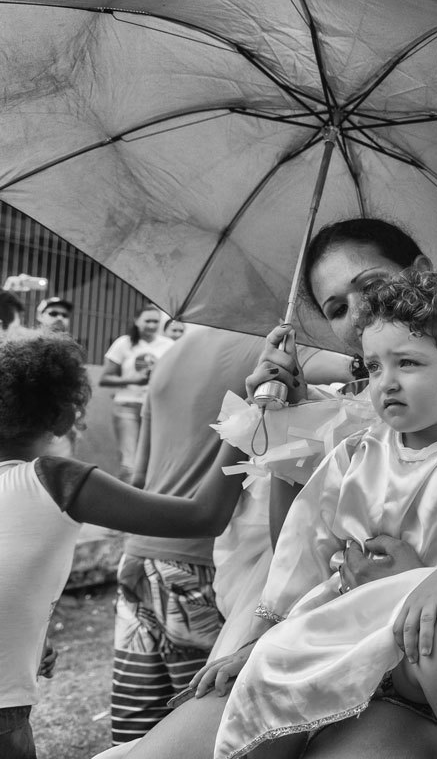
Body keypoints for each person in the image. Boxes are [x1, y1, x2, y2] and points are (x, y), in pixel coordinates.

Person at [117, 218, 437, 759]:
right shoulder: (344, 418)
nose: (360, 314)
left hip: (431, 652)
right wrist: (283, 424)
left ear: (420, 274)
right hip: (323, 634)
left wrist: (416, 582)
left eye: (369, 287)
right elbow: (299, 547)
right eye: (336, 308)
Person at [206, 272, 437, 759]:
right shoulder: (355, 451)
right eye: (373, 367)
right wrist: (261, 632)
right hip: (347, 621)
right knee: (272, 665)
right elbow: (306, 541)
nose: (386, 383)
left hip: (427, 626)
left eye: (407, 362)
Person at [0, 335, 246, 759]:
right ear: (63, 415)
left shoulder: (171, 359)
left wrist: (28, 632)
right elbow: (204, 516)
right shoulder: (55, 479)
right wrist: (254, 413)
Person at [109, 326, 264, 743]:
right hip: (198, 567)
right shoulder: (267, 352)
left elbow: (138, 475)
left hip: (139, 557)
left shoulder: (171, 354)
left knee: (133, 731)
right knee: (200, 731)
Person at [99, 305, 175, 482]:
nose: (151, 325)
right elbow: (105, 378)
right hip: (127, 407)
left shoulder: (168, 345)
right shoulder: (123, 343)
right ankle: (127, 501)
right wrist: (133, 381)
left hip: (157, 409)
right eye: (147, 320)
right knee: (130, 462)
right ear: (136, 320)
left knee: (153, 461)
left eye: (155, 321)